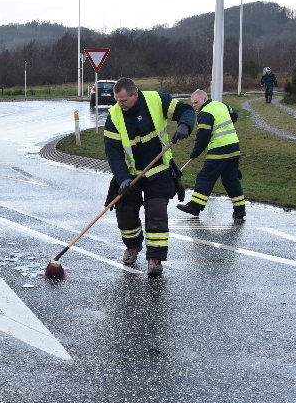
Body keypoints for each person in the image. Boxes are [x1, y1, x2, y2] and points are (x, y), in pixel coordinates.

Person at [104, 77, 195, 277]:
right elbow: (114, 153)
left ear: (135, 94)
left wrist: (185, 126)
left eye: (123, 100)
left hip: (158, 170)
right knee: (125, 213)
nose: (120, 104)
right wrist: (122, 178)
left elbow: (186, 110)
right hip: (131, 175)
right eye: (117, 100)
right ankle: (133, 246)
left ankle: (155, 259)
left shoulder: (157, 100)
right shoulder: (114, 116)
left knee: (156, 214)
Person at [176, 89, 245, 221]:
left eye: (196, 102)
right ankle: (240, 210)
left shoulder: (205, 113)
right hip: (234, 146)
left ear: (204, 99)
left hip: (219, 148)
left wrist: (195, 153)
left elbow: (203, 137)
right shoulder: (221, 104)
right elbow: (234, 115)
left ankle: (195, 207)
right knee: (230, 179)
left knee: (205, 177)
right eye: (192, 103)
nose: (194, 105)